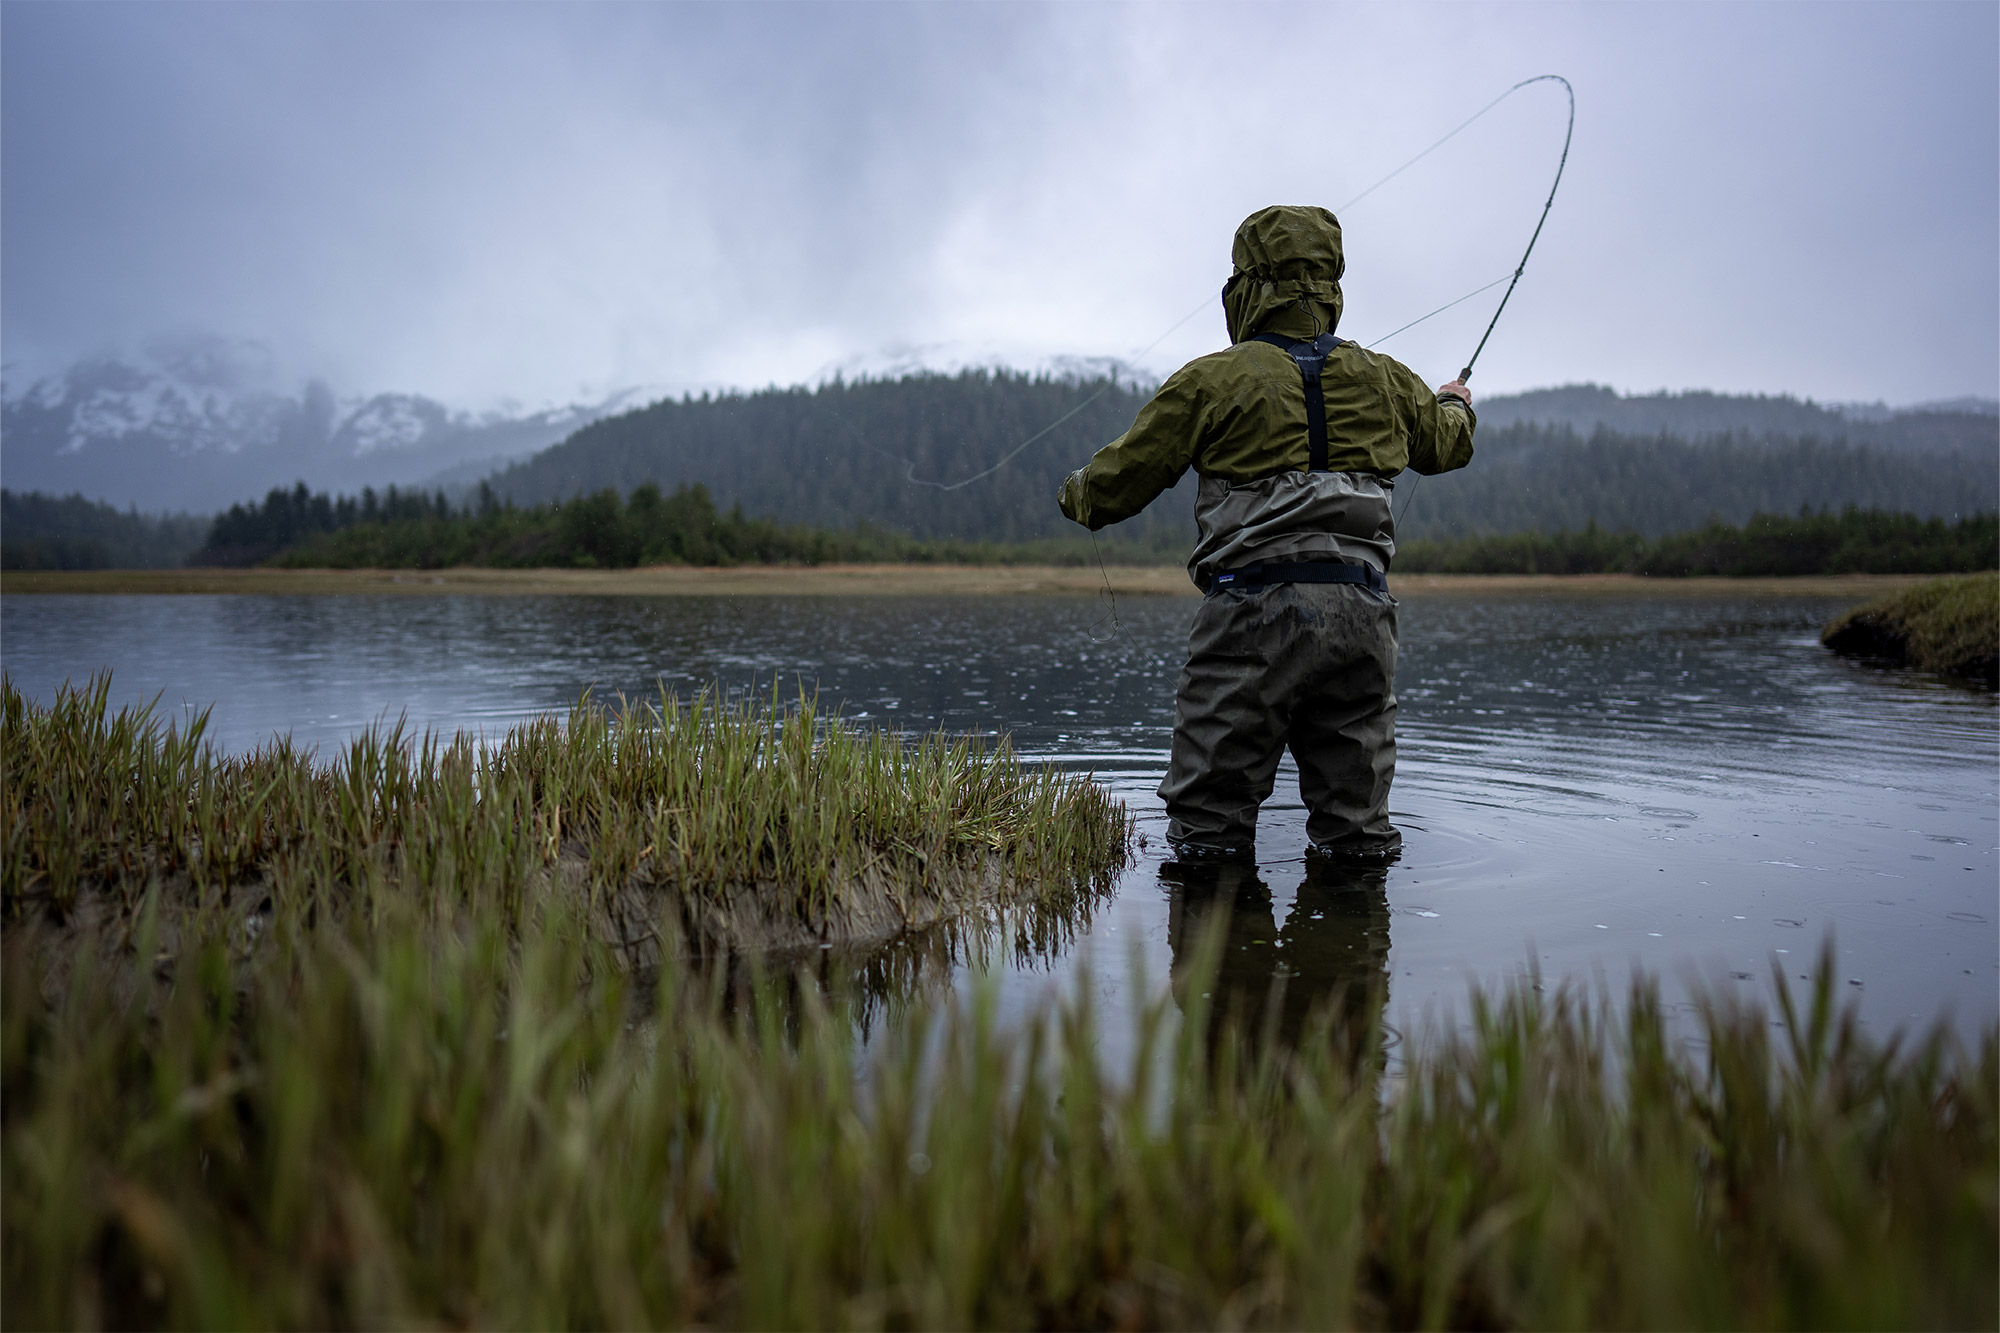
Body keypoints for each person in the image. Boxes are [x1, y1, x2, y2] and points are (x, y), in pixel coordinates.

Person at [1058, 204, 1475, 863]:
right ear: (1330, 285)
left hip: (1250, 615)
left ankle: (1215, 957)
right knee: (1358, 839)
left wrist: (1074, 491)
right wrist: (1453, 401)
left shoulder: (1212, 380)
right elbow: (1449, 444)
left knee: (1208, 837)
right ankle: (1352, 953)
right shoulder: (1390, 381)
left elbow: (1110, 488)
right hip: (1363, 622)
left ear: (1246, 287)